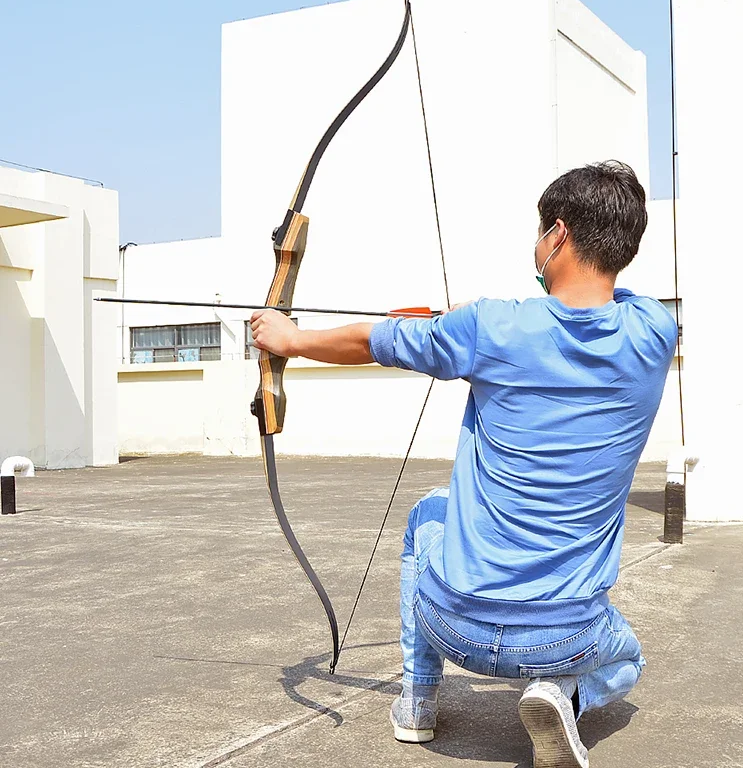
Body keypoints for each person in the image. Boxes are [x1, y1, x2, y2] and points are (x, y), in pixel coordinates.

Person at [251, 161, 678, 767]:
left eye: (542, 233)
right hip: (566, 637)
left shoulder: (491, 326)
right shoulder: (654, 332)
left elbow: (373, 341)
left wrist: (290, 339)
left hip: (454, 627)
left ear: (557, 234)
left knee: (428, 514)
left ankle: (416, 703)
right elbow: (605, 307)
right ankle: (560, 693)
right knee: (627, 659)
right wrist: (483, 320)